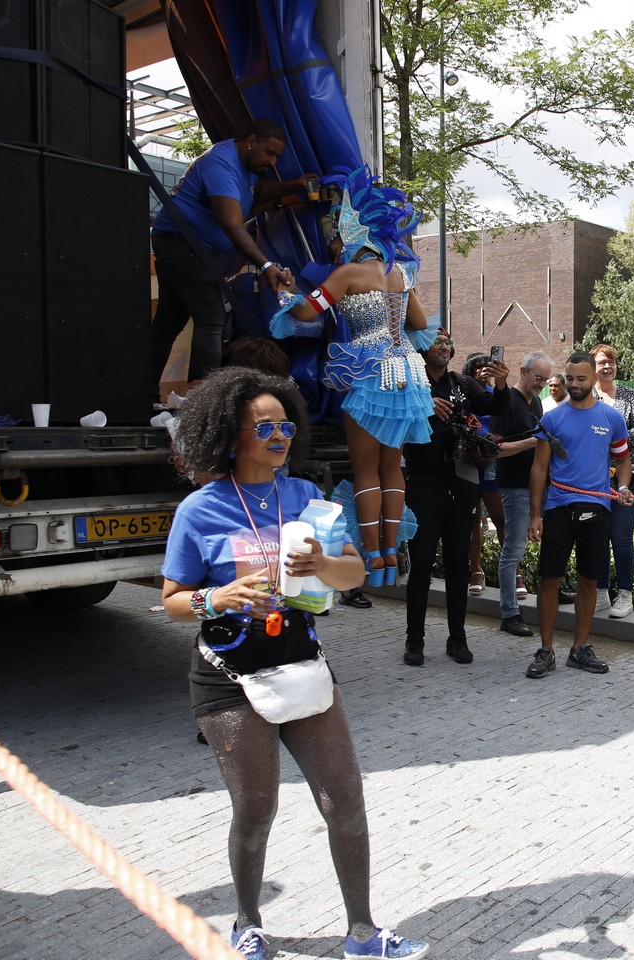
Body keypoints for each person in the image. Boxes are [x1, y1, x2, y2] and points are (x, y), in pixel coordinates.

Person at [159, 368, 427, 960]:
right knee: (256, 809)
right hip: (230, 678)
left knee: (345, 801)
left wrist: (322, 568)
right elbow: (172, 600)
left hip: (303, 665)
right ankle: (247, 923)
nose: (279, 436)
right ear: (230, 434)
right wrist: (218, 598)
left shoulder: (305, 496)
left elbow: (353, 571)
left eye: (285, 426)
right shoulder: (200, 510)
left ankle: (363, 934)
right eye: (264, 427)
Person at [275, 165, 435, 591]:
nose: (333, 243)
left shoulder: (347, 274)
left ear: (351, 231)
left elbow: (305, 311)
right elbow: (420, 324)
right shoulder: (401, 273)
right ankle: (391, 551)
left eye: (335, 234)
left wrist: (283, 290)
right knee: (392, 467)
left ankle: (375, 556)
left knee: (365, 469)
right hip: (407, 375)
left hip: (368, 373)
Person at [150, 118, 315, 385]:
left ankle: (144, 394)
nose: (273, 162)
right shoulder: (221, 164)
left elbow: (258, 190)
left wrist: (294, 185)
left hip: (186, 245)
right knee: (212, 319)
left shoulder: (246, 166)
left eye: (277, 157)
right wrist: (266, 266)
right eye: (269, 153)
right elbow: (232, 225)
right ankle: (202, 397)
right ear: (251, 141)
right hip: (183, 244)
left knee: (168, 323)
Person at [401, 332, 509, 666]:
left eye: (448, 342)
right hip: (424, 479)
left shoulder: (462, 384)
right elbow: (393, 419)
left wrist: (501, 384)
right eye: (437, 340)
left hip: (462, 479)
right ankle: (414, 640)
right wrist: (424, 404)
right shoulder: (409, 383)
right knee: (421, 564)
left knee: (458, 564)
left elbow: (494, 406)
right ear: (422, 348)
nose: (444, 346)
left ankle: (457, 639)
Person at [525, 352, 631, 679]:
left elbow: (623, 460)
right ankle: (546, 650)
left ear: (594, 379)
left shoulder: (611, 418)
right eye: (569, 378)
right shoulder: (552, 418)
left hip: (596, 509)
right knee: (549, 580)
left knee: (589, 581)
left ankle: (579, 649)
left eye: (581, 379)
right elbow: (539, 467)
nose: (574, 384)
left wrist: (623, 486)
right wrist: (535, 515)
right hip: (558, 508)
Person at [491, 350, 553, 637]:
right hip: (515, 485)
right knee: (513, 550)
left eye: (546, 379)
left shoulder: (536, 401)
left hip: (539, 485)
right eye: (538, 378)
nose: (542, 384)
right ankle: (509, 612)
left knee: (549, 542)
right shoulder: (507, 401)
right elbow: (493, 449)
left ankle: (551, 591)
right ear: (523, 371)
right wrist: (530, 443)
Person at [589, 344, 634, 618]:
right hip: (593, 477)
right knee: (598, 537)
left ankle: (625, 594)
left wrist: (614, 439)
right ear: (592, 367)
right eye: (602, 362)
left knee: (621, 537)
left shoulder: (628, 394)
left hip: (626, 473)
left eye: (611, 362)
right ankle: (600, 592)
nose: (607, 367)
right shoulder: (586, 395)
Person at [461, 353, 507, 599]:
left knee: (500, 517)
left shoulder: (496, 395)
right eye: (477, 367)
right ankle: (476, 571)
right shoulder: (461, 394)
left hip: (491, 461)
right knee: (472, 520)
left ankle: (514, 573)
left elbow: (505, 426)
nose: (483, 371)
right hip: (466, 462)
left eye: (486, 366)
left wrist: (492, 449)